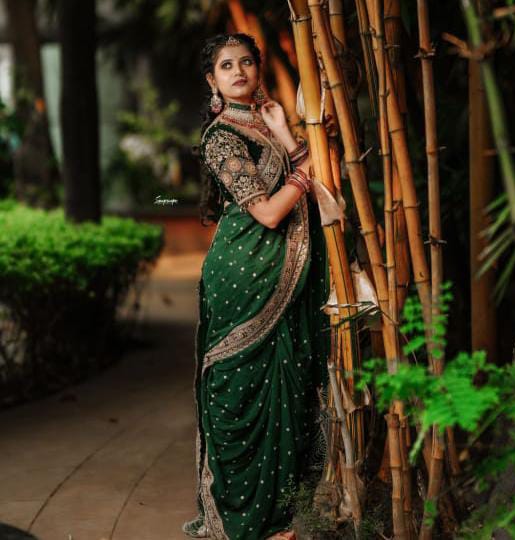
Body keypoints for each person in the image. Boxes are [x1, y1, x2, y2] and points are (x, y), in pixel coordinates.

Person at [183, 32, 330, 540]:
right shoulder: (221, 137)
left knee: (287, 384)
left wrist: (286, 133)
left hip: (282, 273)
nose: (239, 71)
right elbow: (268, 213)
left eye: (246, 62)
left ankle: (280, 516)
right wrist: (304, 171)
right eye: (227, 65)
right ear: (212, 80)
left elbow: (301, 168)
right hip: (243, 275)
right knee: (239, 389)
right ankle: (238, 514)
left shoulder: (264, 124)